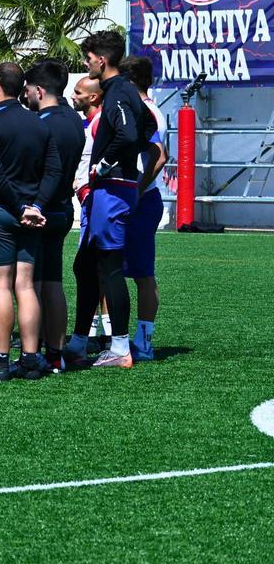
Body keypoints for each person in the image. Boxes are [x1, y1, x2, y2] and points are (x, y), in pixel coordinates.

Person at [67, 32, 158, 370]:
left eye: (89, 58)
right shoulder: (121, 91)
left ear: (101, 60)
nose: (86, 64)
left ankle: (120, 346)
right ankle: (78, 341)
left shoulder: (119, 90)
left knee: (108, 266)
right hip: (112, 188)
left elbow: (132, 133)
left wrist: (105, 163)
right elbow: (146, 125)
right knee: (85, 265)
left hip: (113, 187)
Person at [0, 62, 62, 381]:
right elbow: (54, 171)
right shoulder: (39, 124)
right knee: (25, 285)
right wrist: (35, 205)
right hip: (32, 217)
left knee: (0, 288)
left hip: (0, 212)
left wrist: (21, 206)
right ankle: (30, 358)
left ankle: (0, 361)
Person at [23, 59, 87, 372]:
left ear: (38, 90)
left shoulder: (41, 123)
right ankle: (56, 352)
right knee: (53, 282)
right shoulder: (75, 120)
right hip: (63, 205)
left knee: (31, 284)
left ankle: (31, 352)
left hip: (41, 208)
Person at [120, 55, 168, 361]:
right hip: (130, 197)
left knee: (142, 273)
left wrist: (136, 190)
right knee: (109, 268)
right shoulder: (136, 108)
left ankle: (145, 340)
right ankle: (114, 336)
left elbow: (160, 156)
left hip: (141, 200)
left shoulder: (147, 110)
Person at [69, 76, 111, 346]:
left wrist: (87, 189)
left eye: (78, 92)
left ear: (93, 97)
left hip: (93, 203)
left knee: (98, 267)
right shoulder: (90, 124)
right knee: (90, 268)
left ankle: (106, 333)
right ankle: (96, 331)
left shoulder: (99, 125)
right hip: (88, 201)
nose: (73, 96)